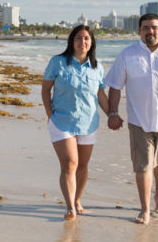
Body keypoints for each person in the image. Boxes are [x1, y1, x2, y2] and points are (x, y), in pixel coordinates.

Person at [105, 13, 158, 224]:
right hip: (138, 121)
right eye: (145, 28)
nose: (150, 31)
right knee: (142, 166)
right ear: (139, 31)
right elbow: (115, 86)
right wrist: (113, 113)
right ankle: (144, 210)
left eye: (154, 27)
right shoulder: (127, 55)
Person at [42, 25, 113, 221]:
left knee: (82, 165)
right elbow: (45, 89)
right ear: (72, 41)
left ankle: (78, 199)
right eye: (79, 38)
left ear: (92, 43)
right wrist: (49, 113)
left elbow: (100, 95)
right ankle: (70, 206)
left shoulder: (97, 67)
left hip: (88, 122)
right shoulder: (57, 63)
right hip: (61, 121)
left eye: (87, 39)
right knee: (70, 163)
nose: (83, 42)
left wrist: (112, 114)